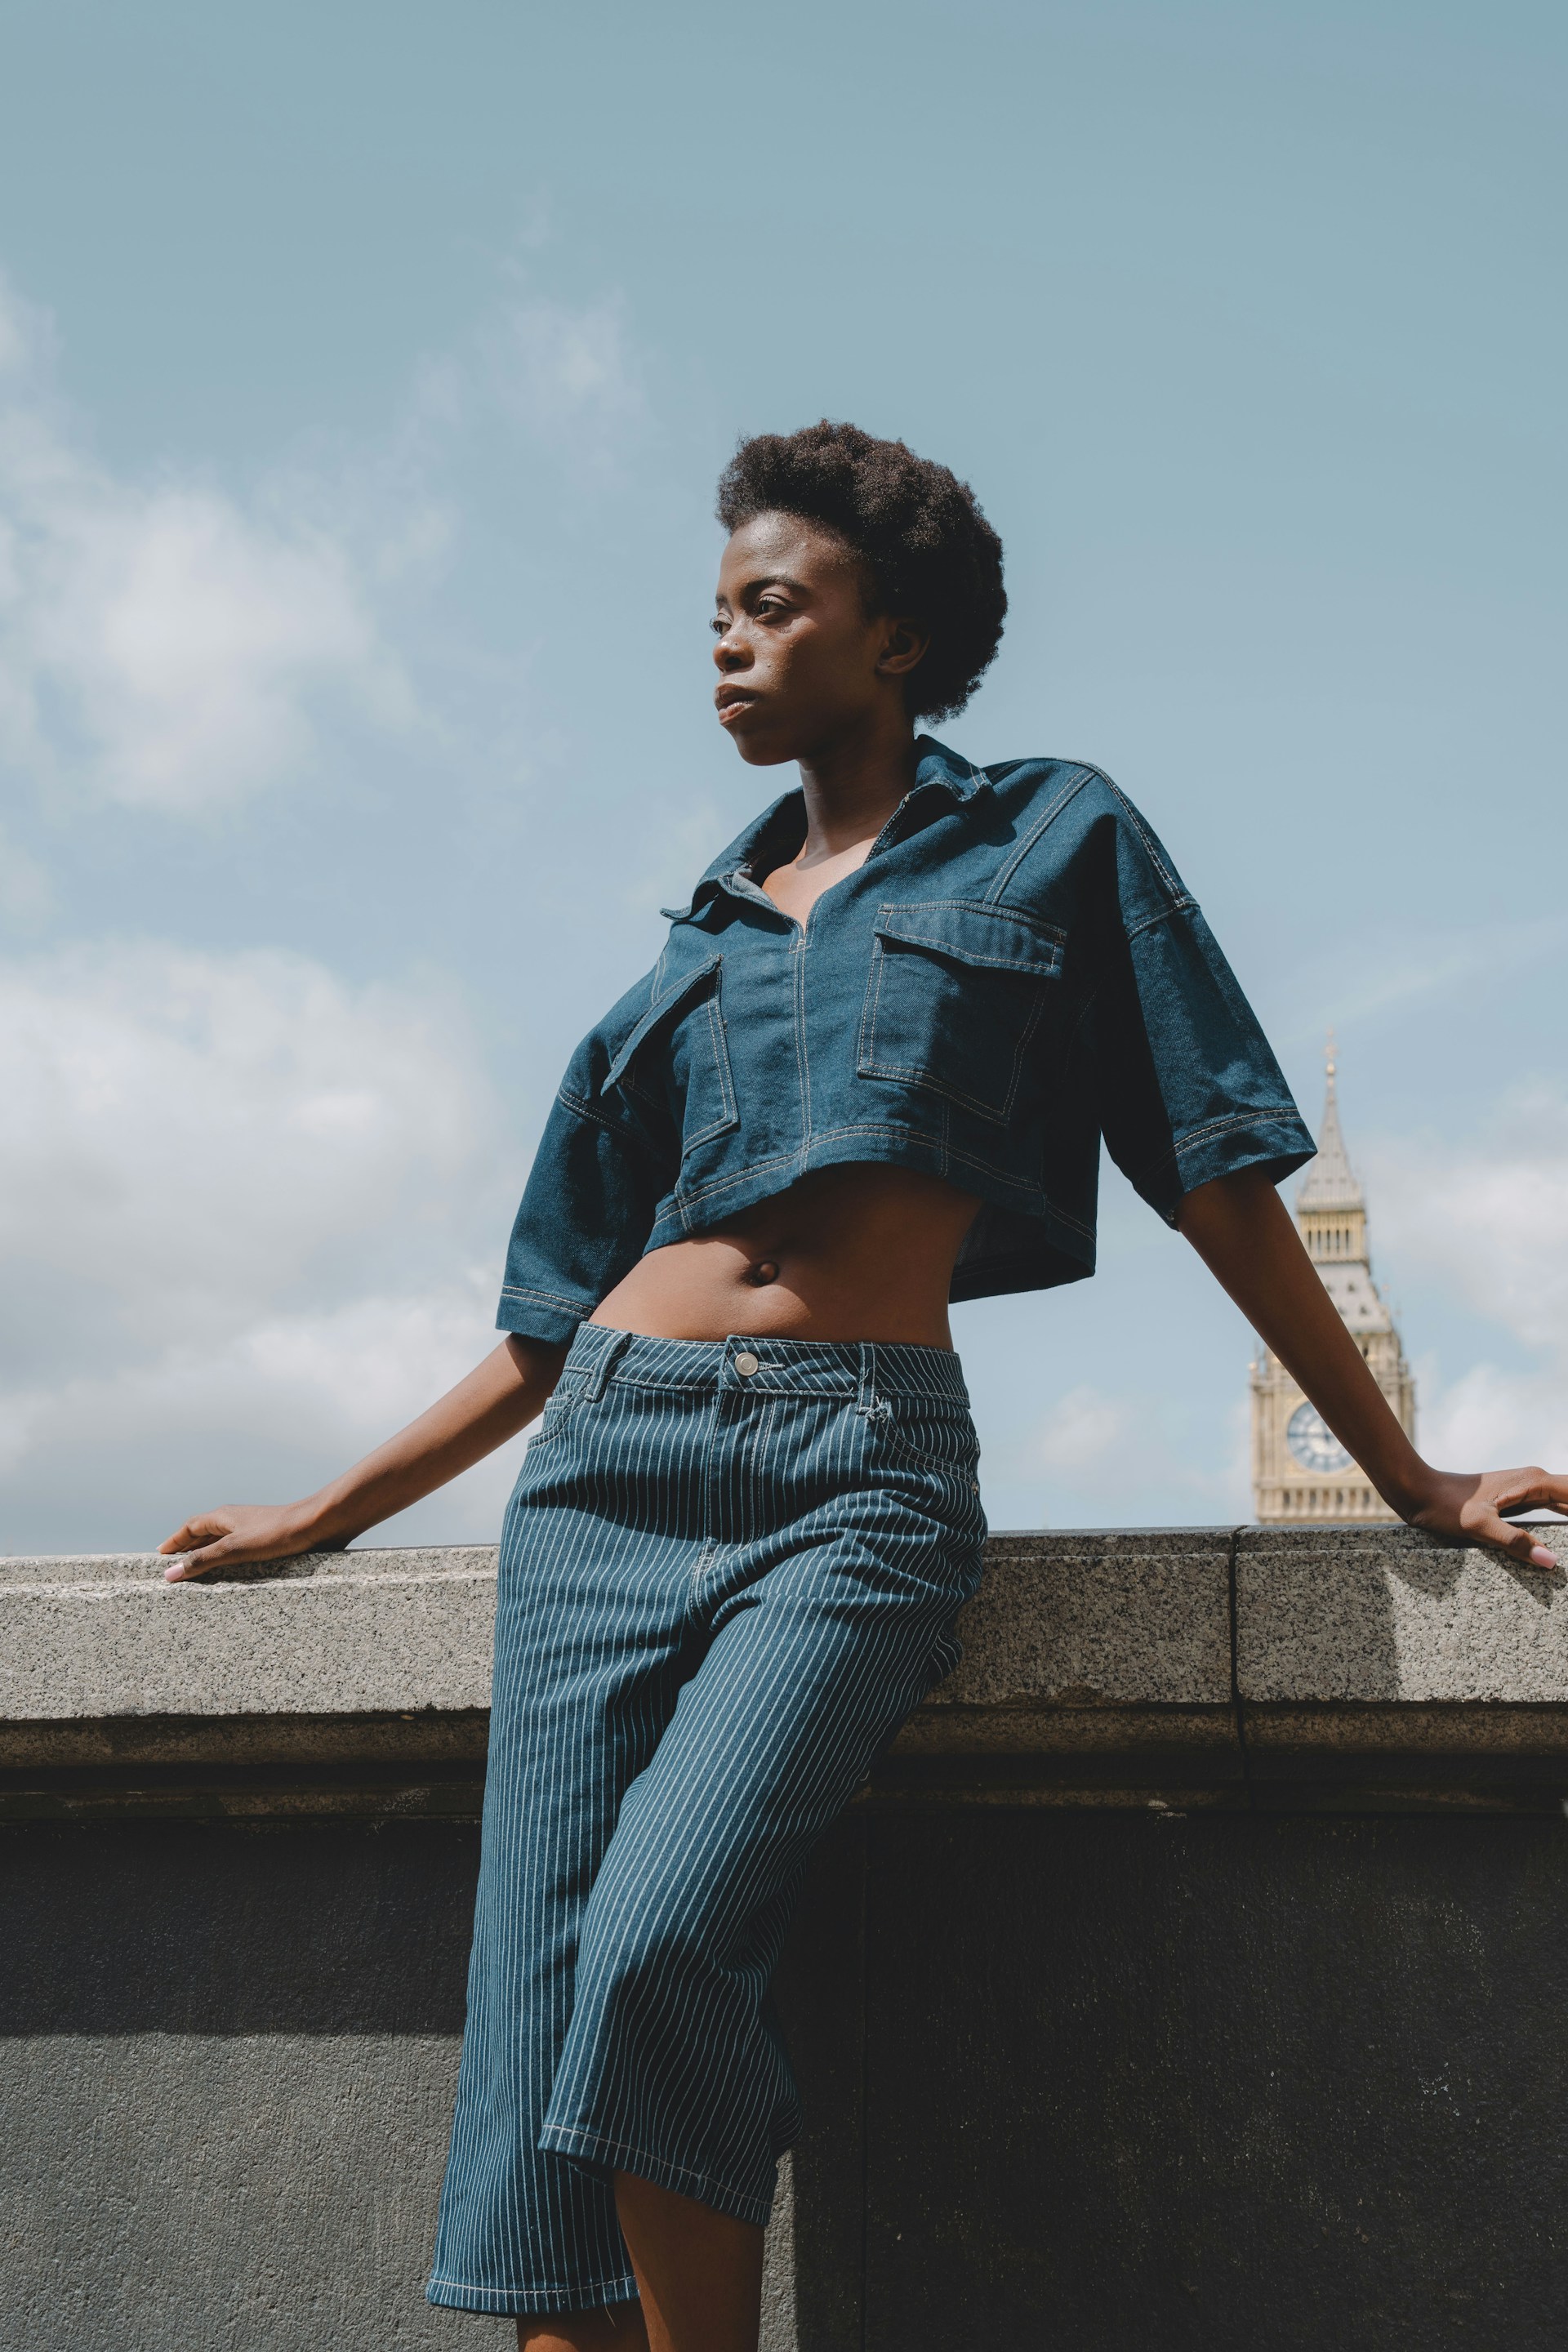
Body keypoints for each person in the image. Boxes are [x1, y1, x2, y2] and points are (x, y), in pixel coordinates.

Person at [161, 421, 1568, 2352]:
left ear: (893, 635)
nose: (723, 646)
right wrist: (324, 1513)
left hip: (857, 1482)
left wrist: (1408, 1474)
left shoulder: (1056, 832)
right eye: (714, 615)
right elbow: (545, 1318)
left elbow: (1222, 1170)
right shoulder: (687, 953)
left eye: (769, 606)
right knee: (539, 2016)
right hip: (598, 1486)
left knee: (655, 1953)